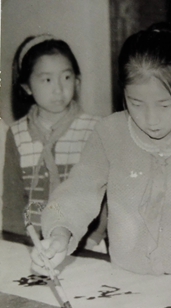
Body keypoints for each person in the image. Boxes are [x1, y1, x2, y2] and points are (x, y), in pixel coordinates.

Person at [30, 26, 171, 281]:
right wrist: (60, 233)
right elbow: (79, 190)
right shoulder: (109, 133)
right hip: (127, 278)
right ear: (123, 93)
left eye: (165, 104)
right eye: (136, 104)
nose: (151, 120)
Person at [3, 34, 107, 250]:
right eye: (47, 80)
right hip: (32, 243)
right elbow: (13, 201)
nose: (59, 89)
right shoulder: (16, 134)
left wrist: (95, 237)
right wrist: (17, 242)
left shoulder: (94, 128)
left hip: (84, 241)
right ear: (27, 86)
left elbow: (105, 194)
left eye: (66, 77)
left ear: (77, 81)